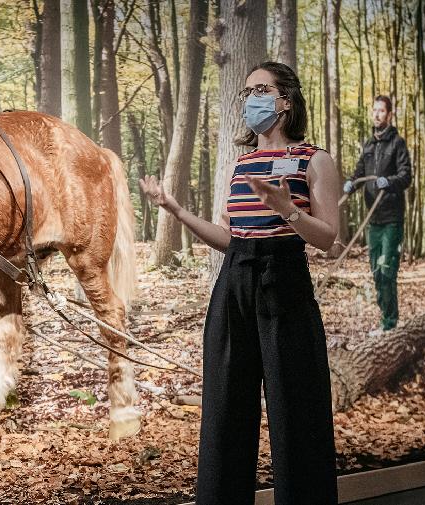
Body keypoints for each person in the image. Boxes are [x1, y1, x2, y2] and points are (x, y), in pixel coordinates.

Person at [139, 62, 339, 505]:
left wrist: (288, 210)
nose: (251, 100)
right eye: (247, 93)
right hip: (234, 282)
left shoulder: (314, 159)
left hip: (285, 281)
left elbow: (328, 238)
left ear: (285, 101)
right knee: (225, 409)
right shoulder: (241, 164)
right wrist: (175, 210)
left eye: (261, 90)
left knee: (297, 411)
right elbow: (230, 238)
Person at [343, 96, 412, 331]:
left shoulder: (397, 143)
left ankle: (389, 325)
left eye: (381, 111)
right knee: (376, 272)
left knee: (387, 270)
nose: (376, 114)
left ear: (389, 115)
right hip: (373, 220)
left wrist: (389, 182)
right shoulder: (369, 145)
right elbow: (359, 172)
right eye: (374, 110)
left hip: (392, 219)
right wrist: (351, 184)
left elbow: (406, 176)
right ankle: (386, 320)